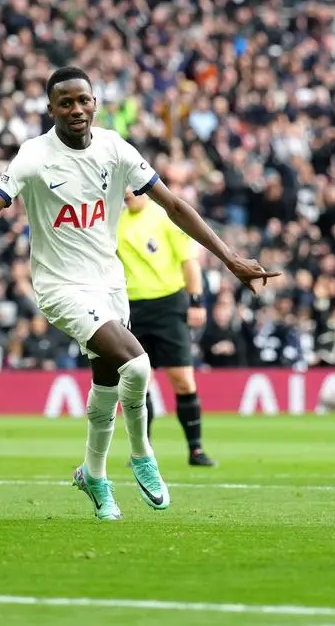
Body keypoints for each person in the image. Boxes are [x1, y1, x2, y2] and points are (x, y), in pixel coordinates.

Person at [0, 66, 277, 520]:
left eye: (83, 100)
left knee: (107, 383)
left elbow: (175, 206)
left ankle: (93, 474)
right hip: (60, 286)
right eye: (65, 102)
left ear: (95, 103)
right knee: (138, 363)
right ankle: (142, 454)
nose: (76, 109)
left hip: (109, 283)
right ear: (50, 109)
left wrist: (229, 259)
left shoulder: (115, 148)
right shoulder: (33, 157)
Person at [117, 189, 216, 467]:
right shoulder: (115, 223)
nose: (127, 195)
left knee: (182, 379)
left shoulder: (166, 219)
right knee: (137, 383)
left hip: (169, 306)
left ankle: (195, 450)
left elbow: (189, 262)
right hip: (131, 309)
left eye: (131, 189)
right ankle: (141, 452)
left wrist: (195, 301)